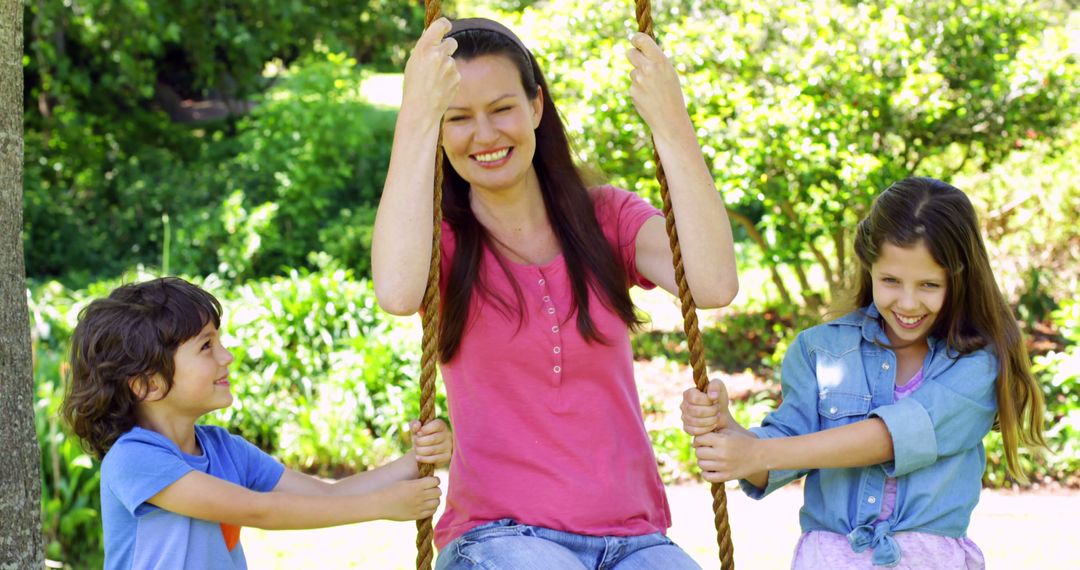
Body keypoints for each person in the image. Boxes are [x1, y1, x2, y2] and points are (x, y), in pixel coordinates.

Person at [372, 16, 738, 570]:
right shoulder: (437, 245)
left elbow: (713, 283)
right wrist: (415, 117)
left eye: (502, 109)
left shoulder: (606, 218)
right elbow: (397, 293)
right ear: (439, 131)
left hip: (634, 538)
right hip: (499, 537)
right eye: (458, 119)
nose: (486, 135)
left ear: (536, 107)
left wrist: (672, 123)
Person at [682, 177, 1046, 569]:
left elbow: (893, 437)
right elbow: (780, 455)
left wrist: (758, 451)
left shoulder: (975, 365)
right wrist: (730, 432)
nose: (908, 302)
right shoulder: (821, 351)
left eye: (928, 285)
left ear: (959, 279)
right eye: (890, 280)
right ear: (869, 266)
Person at [61, 277, 452, 570]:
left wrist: (413, 460)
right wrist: (380, 505)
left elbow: (326, 495)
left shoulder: (224, 449)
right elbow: (256, 510)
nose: (227, 357)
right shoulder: (134, 459)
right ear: (147, 383)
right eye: (206, 346)